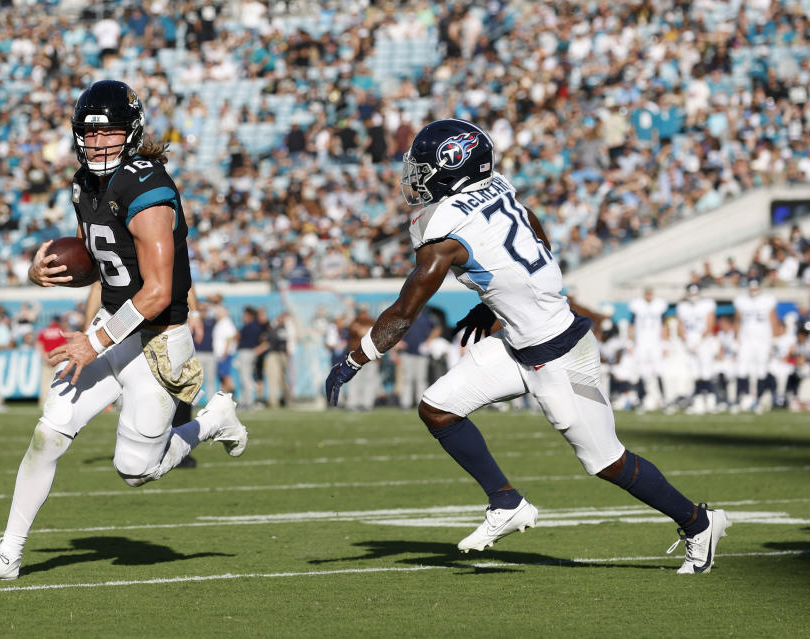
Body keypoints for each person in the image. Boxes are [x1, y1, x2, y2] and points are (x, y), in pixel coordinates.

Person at [325, 119, 728, 574]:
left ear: (452, 168)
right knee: (437, 406)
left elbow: (404, 312)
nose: (413, 178)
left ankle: (698, 522)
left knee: (606, 461)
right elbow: (533, 228)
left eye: (422, 168)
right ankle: (506, 502)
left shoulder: (440, 232)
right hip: (520, 342)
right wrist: (498, 299)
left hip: (558, 351)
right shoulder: (494, 185)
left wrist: (355, 358)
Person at [0, 80, 248, 583]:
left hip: (155, 339)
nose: (99, 144)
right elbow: (108, 264)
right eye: (90, 135)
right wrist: (45, 272)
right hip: (111, 325)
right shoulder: (82, 184)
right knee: (49, 434)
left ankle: (210, 421)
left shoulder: (148, 187)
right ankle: (7, 555)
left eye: (110, 133)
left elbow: (155, 291)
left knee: (135, 471)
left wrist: (94, 341)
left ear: (130, 134)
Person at [733, 279, 781, 413]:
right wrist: (735, 339)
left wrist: (774, 340)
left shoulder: (768, 300)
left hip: (763, 341)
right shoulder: (741, 301)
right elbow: (737, 320)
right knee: (741, 369)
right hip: (746, 340)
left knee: (761, 370)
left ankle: (759, 400)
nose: (753, 290)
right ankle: (742, 398)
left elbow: (773, 320)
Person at [676, 284, 718, 414]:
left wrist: (699, 340)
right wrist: (686, 341)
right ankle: (699, 401)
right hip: (690, 343)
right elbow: (680, 326)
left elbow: (710, 324)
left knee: (706, 372)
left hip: (704, 342)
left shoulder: (707, 305)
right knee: (695, 373)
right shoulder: (683, 307)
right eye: (691, 294)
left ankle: (710, 401)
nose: (693, 297)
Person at [628, 287, 670, 412]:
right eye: (647, 293)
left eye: (651, 293)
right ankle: (641, 400)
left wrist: (665, 344)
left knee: (659, 371)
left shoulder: (659, 305)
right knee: (642, 372)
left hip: (656, 343)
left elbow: (664, 325)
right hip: (641, 343)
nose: (649, 296)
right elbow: (632, 324)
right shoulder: (637, 305)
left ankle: (664, 401)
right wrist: (630, 342)